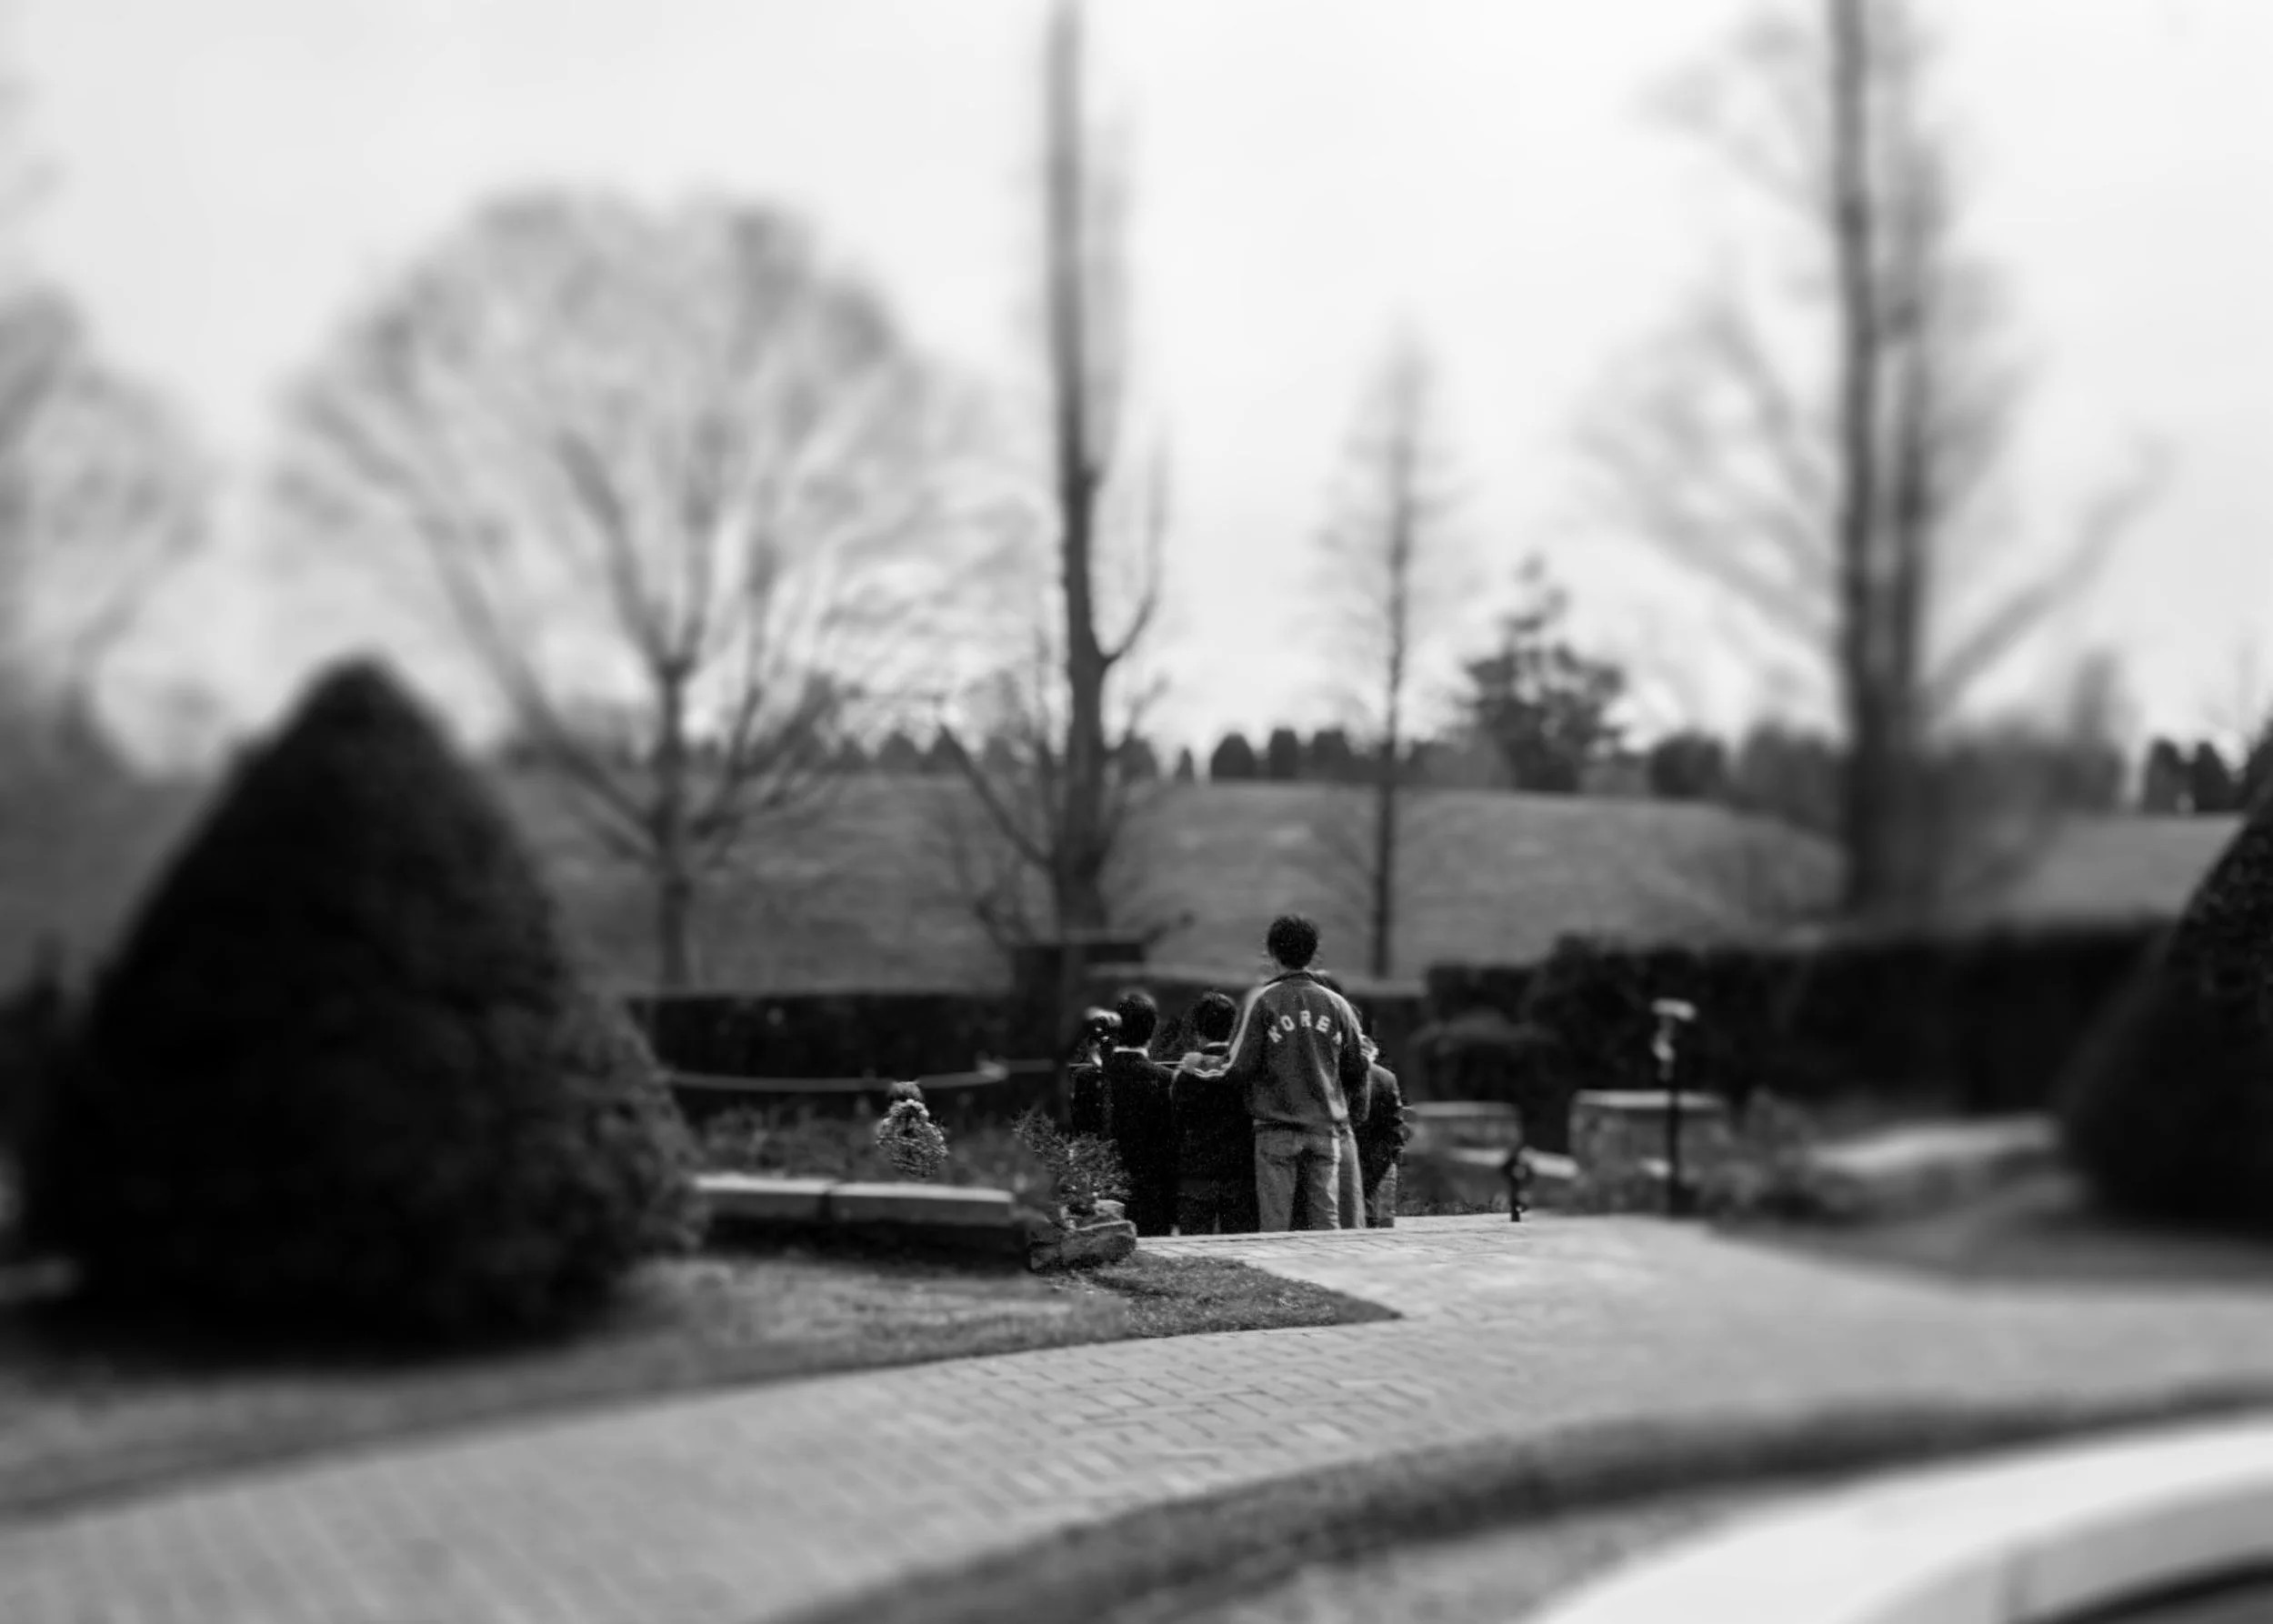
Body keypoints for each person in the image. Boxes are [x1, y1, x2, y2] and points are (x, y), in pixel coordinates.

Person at [1221, 915, 1372, 1231]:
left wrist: (1201, 1068)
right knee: (1326, 1222)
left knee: (1276, 1224)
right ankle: (1328, 1276)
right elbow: (1358, 1067)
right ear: (1314, 953)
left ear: (1272, 952)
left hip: (1275, 1129)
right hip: (1325, 1129)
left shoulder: (1262, 1001)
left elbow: (1238, 1068)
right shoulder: (1338, 1005)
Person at [1168, 990, 1257, 1234]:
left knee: (1194, 1250)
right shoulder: (1243, 1069)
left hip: (1196, 1177)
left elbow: (1176, 1122)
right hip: (1240, 1175)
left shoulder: (1185, 1075)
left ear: (1198, 1031)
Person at [1100, 988, 1178, 1236]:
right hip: (1154, 1191)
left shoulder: (1090, 1078)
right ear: (1152, 1030)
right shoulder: (1166, 1079)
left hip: (1102, 1187)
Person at [1355, 1033, 1410, 1228]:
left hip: (1357, 1149)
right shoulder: (1386, 1078)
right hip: (1378, 1153)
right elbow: (1394, 1125)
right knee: (1380, 1214)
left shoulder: (1337, 1073)